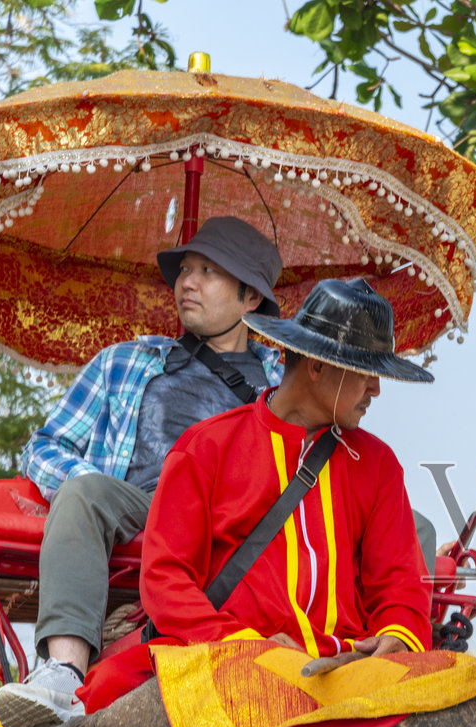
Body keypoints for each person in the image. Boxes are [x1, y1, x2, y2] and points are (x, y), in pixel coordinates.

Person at [0, 216, 286, 727]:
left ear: (251, 300)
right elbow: (45, 446)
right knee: (84, 492)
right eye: (185, 270)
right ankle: (62, 672)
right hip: (149, 507)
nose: (187, 283)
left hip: (250, 527)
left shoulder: (286, 383)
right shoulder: (124, 362)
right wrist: (90, 481)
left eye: (209, 272)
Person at [139, 277, 432, 658]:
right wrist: (244, 644)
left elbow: (401, 585)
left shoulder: (379, 466)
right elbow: (165, 579)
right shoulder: (206, 447)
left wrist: (399, 634)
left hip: (344, 664)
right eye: (365, 372)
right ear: (316, 367)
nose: (376, 389)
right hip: (228, 657)